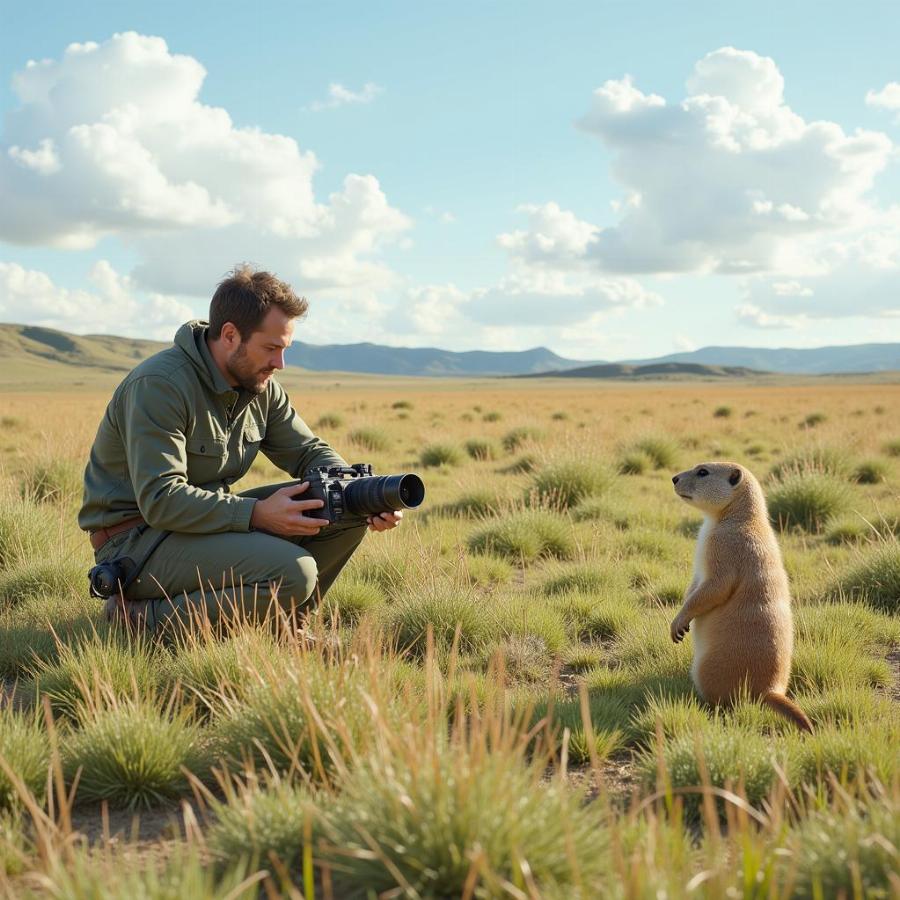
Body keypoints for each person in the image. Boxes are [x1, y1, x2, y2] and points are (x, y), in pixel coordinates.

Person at [78, 264, 401, 633]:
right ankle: (140, 620)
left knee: (340, 511)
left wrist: (360, 493)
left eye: (285, 350)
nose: (280, 363)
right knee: (294, 571)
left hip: (203, 527)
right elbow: (161, 499)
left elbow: (310, 451)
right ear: (230, 335)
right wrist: (257, 514)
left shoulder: (261, 386)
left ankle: (287, 631)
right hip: (136, 541)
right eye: (271, 348)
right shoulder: (160, 385)